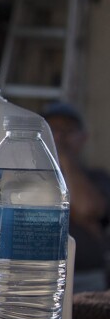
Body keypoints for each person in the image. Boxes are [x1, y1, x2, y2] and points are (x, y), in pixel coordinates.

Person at [43, 101, 110, 291]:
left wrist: (63, 156)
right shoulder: (29, 177)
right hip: (42, 276)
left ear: (83, 138)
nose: (60, 136)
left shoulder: (98, 178)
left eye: (69, 130)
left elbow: (88, 208)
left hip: (88, 279)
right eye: (53, 129)